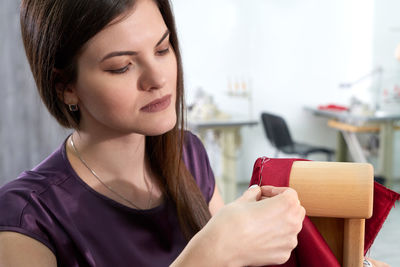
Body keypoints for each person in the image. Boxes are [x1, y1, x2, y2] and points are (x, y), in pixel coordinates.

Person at [0, 0, 388, 266]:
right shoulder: (25, 218)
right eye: (122, 66)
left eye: (163, 48)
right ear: (65, 86)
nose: (158, 79)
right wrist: (210, 254)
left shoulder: (188, 155)